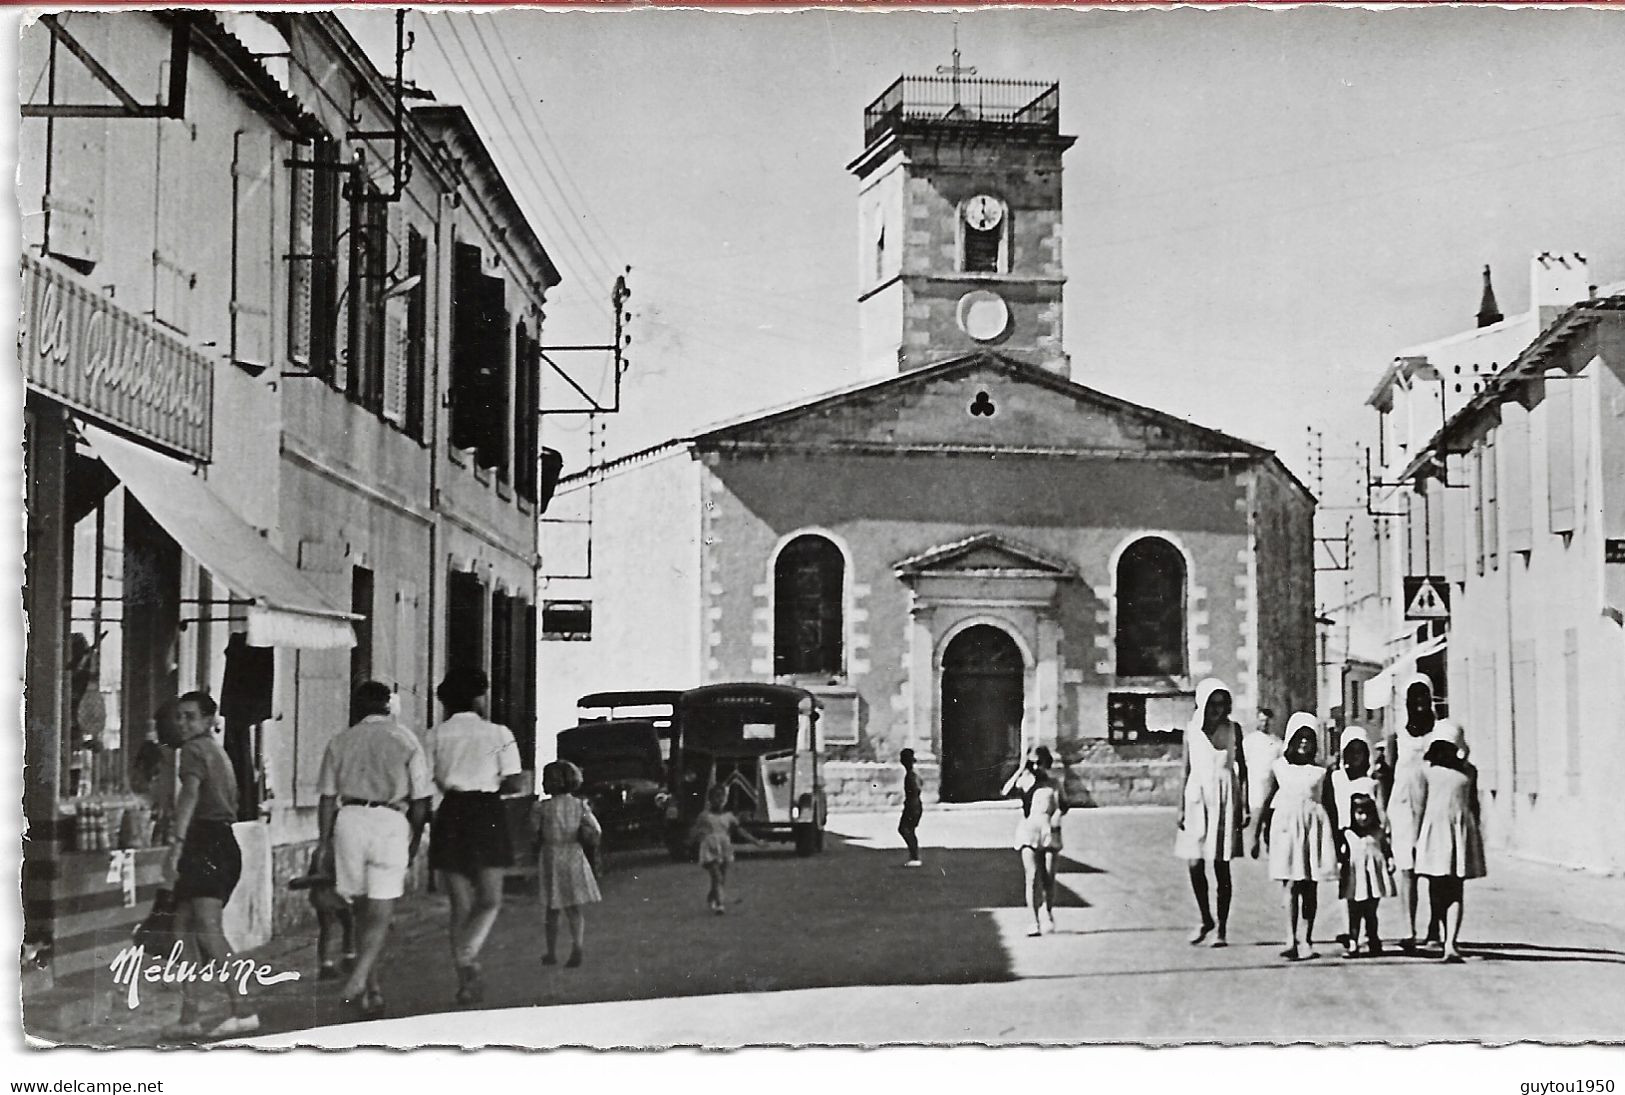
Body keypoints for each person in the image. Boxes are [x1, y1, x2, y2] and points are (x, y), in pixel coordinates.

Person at [316, 680, 434, 1017]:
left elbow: (326, 798)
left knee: (360, 909)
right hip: (391, 821)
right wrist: (413, 840)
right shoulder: (406, 740)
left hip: (349, 820)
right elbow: (421, 801)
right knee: (381, 913)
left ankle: (373, 989)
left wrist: (323, 843)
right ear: (388, 705)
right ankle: (358, 982)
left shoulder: (340, 741)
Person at [159, 691, 259, 1041]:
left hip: (205, 843)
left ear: (207, 720)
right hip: (220, 842)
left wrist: (176, 844)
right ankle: (189, 1016)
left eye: (190, 716)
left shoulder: (194, 751)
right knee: (184, 928)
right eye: (179, 717)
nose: (183, 723)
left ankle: (243, 1009)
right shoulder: (217, 751)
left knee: (206, 929)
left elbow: (189, 796)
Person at [424, 667, 525, 1006]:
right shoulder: (498, 733)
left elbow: (426, 782)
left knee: (460, 905)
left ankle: (465, 975)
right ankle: (468, 958)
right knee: (490, 899)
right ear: (479, 696)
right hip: (486, 813)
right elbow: (515, 782)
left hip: (451, 812)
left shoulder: (434, 736)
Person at [1257, 713, 1339, 961]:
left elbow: (1331, 806)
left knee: (1309, 886)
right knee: (1291, 884)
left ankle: (1307, 938)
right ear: (1291, 739)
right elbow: (1267, 801)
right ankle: (1291, 937)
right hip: (1287, 830)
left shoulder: (1321, 772)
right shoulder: (1279, 768)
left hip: (1313, 830)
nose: (1304, 743)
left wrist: (1338, 838)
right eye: (1300, 738)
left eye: (1309, 739)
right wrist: (1257, 832)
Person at [1175, 679, 1247, 947]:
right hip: (1196, 798)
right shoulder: (1191, 731)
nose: (1217, 710)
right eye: (1212, 704)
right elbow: (1185, 770)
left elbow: (1243, 769)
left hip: (1224, 798)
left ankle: (1222, 929)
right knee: (1194, 863)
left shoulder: (1233, 729)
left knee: (1221, 865)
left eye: (1222, 704)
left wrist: (1245, 806)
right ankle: (1206, 918)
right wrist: (1181, 807)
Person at [1414, 722, 1485, 964]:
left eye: (1449, 746)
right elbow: (1420, 804)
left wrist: (1475, 833)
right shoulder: (1427, 770)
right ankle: (1440, 933)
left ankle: (1450, 943)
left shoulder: (1469, 772)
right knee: (1436, 887)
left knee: (1455, 888)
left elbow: (1473, 803)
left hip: (1458, 833)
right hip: (1435, 833)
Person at [1385, 673, 1438, 951]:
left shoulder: (1440, 733)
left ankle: (1434, 930)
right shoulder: (1398, 736)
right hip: (1404, 807)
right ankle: (1409, 929)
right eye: (1413, 696)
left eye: (1423, 696)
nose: (1419, 702)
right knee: (1407, 868)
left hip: (1432, 804)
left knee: (1435, 869)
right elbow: (1388, 776)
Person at [534, 760, 602, 967]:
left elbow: (532, 830)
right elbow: (596, 830)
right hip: (573, 853)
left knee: (552, 907)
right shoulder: (579, 805)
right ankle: (577, 947)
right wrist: (590, 842)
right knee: (574, 907)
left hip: (551, 854)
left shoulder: (541, 808)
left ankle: (551, 952)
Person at [1330, 726, 1386, 951]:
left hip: (1370, 842)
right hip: (1347, 841)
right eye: (1350, 752)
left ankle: (1371, 936)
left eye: (1359, 751)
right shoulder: (1336, 778)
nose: (1355, 756)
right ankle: (1351, 935)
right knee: (1350, 893)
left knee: (1371, 897)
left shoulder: (1372, 781)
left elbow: (1381, 812)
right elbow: (1332, 809)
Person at [1002, 746, 1067, 936]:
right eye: (1034, 763)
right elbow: (1006, 791)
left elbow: (1064, 805)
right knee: (1031, 877)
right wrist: (1021, 769)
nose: (1037, 766)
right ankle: (1033, 921)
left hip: (1048, 830)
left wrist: (1057, 815)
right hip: (1028, 830)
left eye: (1040, 763)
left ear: (1047, 763)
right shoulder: (1026, 782)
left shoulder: (1054, 784)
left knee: (1048, 877)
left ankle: (1047, 913)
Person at [689, 783, 761, 915]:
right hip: (710, 847)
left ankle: (712, 897)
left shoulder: (729, 816)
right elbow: (695, 830)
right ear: (710, 799)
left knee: (721, 877)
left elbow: (740, 831)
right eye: (716, 797)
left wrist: (756, 841)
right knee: (716, 875)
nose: (719, 800)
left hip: (723, 847)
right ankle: (720, 904)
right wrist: (695, 838)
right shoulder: (704, 816)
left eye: (721, 797)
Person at [1339, 792, 1395, 957]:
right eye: (1359, 813)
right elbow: (1342, 856)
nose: (1363, 818)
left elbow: (1386, 850)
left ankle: (1373, 939)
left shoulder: (1378, 832)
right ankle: (1353, 942)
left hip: (1373, 879)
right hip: (1354, 879)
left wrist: (1390, 861)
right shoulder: (1348, 834)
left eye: (1367, 814)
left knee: (1371, 912)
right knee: (1354, 912)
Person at [1242, 706, 1282, 856]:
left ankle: (1267, 840)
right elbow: (1243, 762)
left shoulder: (1277, 742)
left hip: (1271, 783)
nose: (1264, 724)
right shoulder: (1250, 740)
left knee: (1269, 814)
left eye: (1267, 721)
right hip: (1254, 782)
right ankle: (1255, 840)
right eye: (1261, 721)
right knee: (1257, 811)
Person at [898, 748, 924, 867]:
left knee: (905, 829)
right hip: (915, 805)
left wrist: (909, 805)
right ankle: (914, 855)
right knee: (908, 830)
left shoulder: (911, 775)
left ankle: (914, 856)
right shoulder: (913, 773)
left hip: (912, 805)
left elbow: (915, 790)